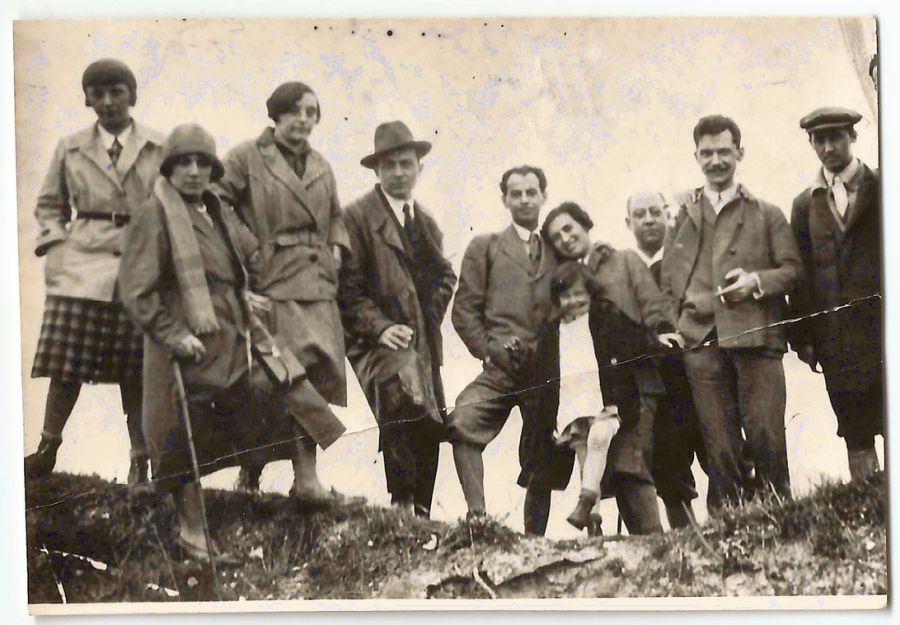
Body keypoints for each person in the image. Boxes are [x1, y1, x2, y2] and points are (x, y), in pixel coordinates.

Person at [119, 124, 345, 562]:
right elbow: (136, 290)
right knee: (182, 429)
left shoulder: (213, 210)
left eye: (202, 163)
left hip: (233, 335)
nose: (193, 171)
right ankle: (192, 533)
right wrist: (174, 335)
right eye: (183, 162)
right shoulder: (155, 214)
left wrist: (245, 297)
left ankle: (306, 483)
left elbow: (236, 265)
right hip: (185, 346)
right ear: (168, 168)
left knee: (290, 385)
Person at [25, 59, 163, 486]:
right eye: (97, 93)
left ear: (132, 95)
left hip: (140, 263)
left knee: (137, 367)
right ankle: (47, 447)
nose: (107, 102)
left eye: (116, 92)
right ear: (87, 98)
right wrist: (57, 245)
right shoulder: (70, 148)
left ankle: (141, 460)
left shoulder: (159, 147)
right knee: (67, 361)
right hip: (82, 265)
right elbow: (49, 205)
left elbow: (175, 205)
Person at [214, 82, 349, 501]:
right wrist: (249, 248)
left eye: (311, 112)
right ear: (276, 114)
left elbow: (335, 215)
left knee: (316, 376)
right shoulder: (246, 156)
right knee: (282, 376)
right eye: (295, 111)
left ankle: (304, 478)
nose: (304, 120)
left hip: (319, 284)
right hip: (273, 280)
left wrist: (336, 247)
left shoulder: (322, 165)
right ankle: (261, 472)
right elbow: (215, 201)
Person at [661, 115, 802, 510]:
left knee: (766, 435)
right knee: (719, 443)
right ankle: (729, 523)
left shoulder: (767, 213)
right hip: (702, 341)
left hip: (757, 335)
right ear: (696, 157)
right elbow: (669, 283)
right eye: (706, 153)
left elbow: (793, 271)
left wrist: (756, 281)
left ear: (740, 153)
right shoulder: (683, 216)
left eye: (724, 151)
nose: (716, 160)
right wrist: (674, 327)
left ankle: (780, 516)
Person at [339, 120, 457, 517]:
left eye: (406, 164)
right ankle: (401, 504)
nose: (399, 172)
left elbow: (445, 276)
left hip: (421, 341)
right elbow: (346, 289)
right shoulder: (356, 218)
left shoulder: (424, 221)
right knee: (403, 400)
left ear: (420, 167)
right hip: (376, 342)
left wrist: (427, 317)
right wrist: (382, 327)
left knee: (432, 418)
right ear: (376, 170)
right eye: (389, 165)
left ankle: (421, 513)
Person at [448, 166, 574, 536]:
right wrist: (490, 350)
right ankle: (478, 519)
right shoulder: (485, 247)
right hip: (500, 367)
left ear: (544, 196)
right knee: (463, 419)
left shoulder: (559, 250)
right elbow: (463, 311)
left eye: (531, 192)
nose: (524, 200)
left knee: (543, 449)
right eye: (515, 193)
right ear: (504, 199)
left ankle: (535, 540)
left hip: (544, 370)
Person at [542, 202, 680, 535]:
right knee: (604, 466)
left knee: (631, 465)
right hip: (593, 394)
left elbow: (653, 305)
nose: (564, 238)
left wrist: (660, 334)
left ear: (585, 225)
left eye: (569, 228)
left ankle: (652, 541)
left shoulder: (623, 260)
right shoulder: (562, 283)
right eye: (556, 237)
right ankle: (610, 541)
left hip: (636, 382)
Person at [789, 107, 883, 480]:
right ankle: (868, 499)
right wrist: (804, 340)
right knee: (855, 430)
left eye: (836, 138)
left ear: (852, 137)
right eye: (820, 140)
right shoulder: (804, 205)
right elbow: (801, 278)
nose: (828, 148)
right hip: (839, 343)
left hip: (884, 335)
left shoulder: (883, 186)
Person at [625, 192, 705, 529]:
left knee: (724, 458)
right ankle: (686, 542)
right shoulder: (624, 274)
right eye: (640, 214)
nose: (648, 220)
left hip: (701, 374)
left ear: (667, 216)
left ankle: (738, 533)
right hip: (659, 385)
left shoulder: (688, 260)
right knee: (672, 473)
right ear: (628, 223)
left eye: (655, 212)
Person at [547, 262, 621, 532]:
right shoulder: (554, 331)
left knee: (599, 438)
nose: (574, 300)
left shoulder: (604, 320)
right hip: (572, 406)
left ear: (590, 293)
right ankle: (594, 523)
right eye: (566, 295)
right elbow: (545, 374)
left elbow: (630, 343)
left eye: (579, 293)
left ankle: (586, 500)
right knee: (585, 460)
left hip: (603, 401)